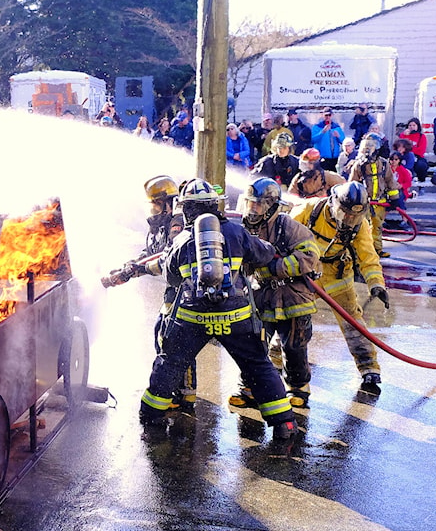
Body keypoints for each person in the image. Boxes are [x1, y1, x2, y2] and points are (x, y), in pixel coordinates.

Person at [137, 178, 298, 443]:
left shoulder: (182, 239)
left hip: (192, 319)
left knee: (171, 362)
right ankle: (284, 423)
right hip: (235, 318)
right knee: (257, 365)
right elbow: (263, 256)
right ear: (215, 204)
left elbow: (172, 277)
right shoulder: (237, 232)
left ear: (186, 209)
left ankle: (152, 415)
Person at [102, 176, 200, 411]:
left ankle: (184, 394)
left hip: (185, 289)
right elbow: (151, 251)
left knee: (176, 339)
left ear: (168, 202)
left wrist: (132, 271)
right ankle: (180, 390)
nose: (153, 209)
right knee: (164, 333)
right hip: (174, 289)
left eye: (156, 204)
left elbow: (168, 254)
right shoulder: (160, 224)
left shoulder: (177, 222)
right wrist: (128, 265)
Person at [290, 181, 389, 394]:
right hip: (306, 275)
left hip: (337, 275)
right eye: (346, 215)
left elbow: (368, 256)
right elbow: (284, 235)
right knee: (293, 319)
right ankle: (278, 360)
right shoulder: (309, 210)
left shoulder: (359, 225)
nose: (349, 221)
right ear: (334, 204)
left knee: (353, 322)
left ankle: (369, 367)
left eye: (355, 217)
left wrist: (377, 284)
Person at [236, 178, 322, 406]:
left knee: (294, 345)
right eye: (250, 204)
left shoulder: (288, 226)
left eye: (258, 205)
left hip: (293, 296)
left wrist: (276, 268)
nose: (252, 210)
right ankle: (249, 389)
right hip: (261, 297)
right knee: (254, 343)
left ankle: (298, 389)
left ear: (271, 205)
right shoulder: (243, 229)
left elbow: (310, 255)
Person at [347, 132, 402, 257]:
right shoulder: (359, 165)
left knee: (377, 227)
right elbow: (352, 184)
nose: (368, 151)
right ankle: (362, 252)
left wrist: (394, 198)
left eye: (371, 147)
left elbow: (390, 181)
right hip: (363, 203)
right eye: (366, 147)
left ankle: (377, 250)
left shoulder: (383, 164)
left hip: (380, 203)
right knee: (362, 228)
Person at [311, 107, 345, 171]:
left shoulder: (337, 127)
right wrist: (322, 132)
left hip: (335, 158)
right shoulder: (317, 127)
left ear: (332, 115)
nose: (328, 117)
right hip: (322, 158)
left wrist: (338, 136)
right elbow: (313, 140)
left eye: (329, 115)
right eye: (326, 115)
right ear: (322, 115)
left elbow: (343, 141)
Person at [398, 117, 430, 182]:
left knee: (421, 165)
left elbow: (421, 150)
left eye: (414, 125)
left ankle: (421, 184)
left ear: (418, 126)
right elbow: (400, 147)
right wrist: (404, 135)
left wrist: (408, 149)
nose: (411, 127)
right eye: (410, 125)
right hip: (405, 156)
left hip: (418, 157)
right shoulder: (403, 135)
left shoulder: (422, 136)